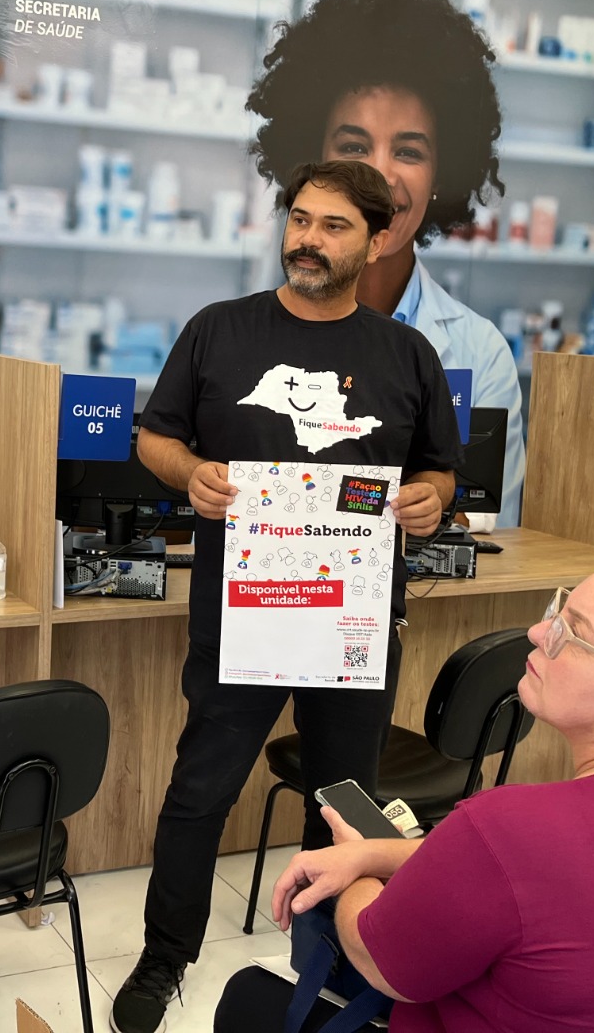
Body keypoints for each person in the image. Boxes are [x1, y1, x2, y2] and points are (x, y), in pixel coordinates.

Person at [110, 160, 462, 1033]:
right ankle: (164, 957)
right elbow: (155, 438)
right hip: (244, 614)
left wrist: (430, 498)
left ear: (376, 241)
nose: (308, 238)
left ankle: (324, 955)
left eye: (334, 226)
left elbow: (439, 471)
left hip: (352, 618)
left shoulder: (406, 354)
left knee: (341, 800)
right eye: (300, 218)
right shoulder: (218, 330)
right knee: (200, 792)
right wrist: (191, 474)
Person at [218, 560, 594, 1033]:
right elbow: (524, 877)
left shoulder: (511, 827)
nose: (537, 631)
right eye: (559, 609)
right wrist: (377, 852)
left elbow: (384, 963)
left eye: (572, 634)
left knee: (249, 998)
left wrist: (355, 869)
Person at [248, 0, 523, 530]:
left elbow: (491, 525)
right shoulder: (237, 335)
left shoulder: (478, 352)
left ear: (443, 174)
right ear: (311, 161)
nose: (378, 176)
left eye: (409, 151)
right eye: (353, 146)